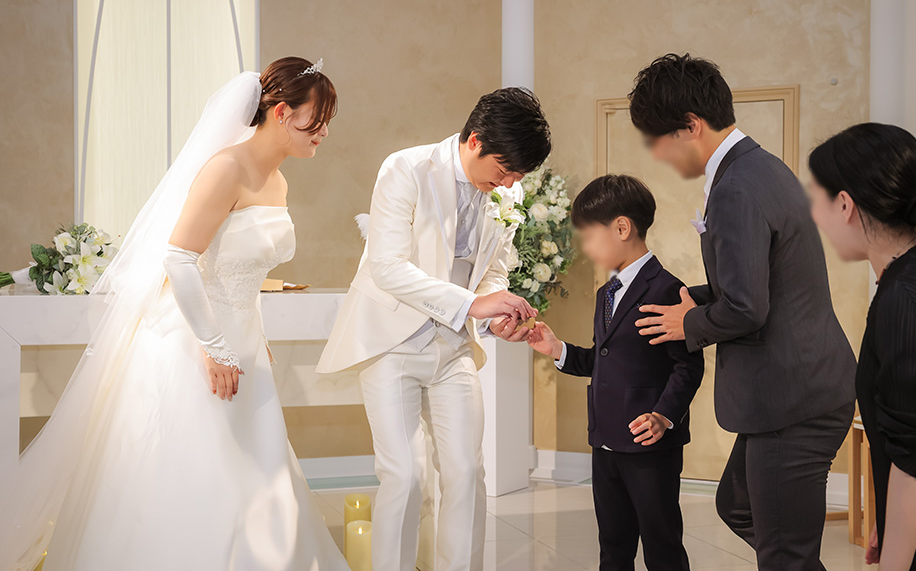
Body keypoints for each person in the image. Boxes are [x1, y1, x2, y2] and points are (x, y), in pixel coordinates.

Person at [0, 57, 350, 570]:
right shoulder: (226, 168)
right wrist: (215, 346)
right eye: (316, 120)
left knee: (259, 468)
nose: (323, 133)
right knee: (198, 469)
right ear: (281, 113)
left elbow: (242, 274)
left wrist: (253, 336)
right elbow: (180, 259)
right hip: (193, 340)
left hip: (243, 342)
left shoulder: (278, 182)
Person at [627, 53, 856, 570]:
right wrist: (692, 298)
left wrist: (685, 323)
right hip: (803, 383)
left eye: (658, 140)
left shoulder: (735, 188)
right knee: (738, 506)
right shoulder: (761, 166)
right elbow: (762, 280)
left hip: (792, 397)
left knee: (784, 554)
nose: (657, 154)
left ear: (691, 125)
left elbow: (747, 308)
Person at [316, 88, 550, 571]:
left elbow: (494, 269)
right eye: (505, 169)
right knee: (405, 476)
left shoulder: (507, 191)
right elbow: (387, 267)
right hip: (391, 344)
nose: (509, 183)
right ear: (475, 140)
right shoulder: (406, 169)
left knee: (466, 471)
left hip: (454, 349)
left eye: (518, 176)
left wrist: (495, 312)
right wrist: (473, 304)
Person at [527, 174, 704, 571]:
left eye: (590, 237)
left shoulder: (667, 290)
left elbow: (688, 365)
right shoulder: (607, 293)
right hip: (605, 439)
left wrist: (663, 416)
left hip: (649, 443)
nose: (586, 248)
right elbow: (603, 358)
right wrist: (557, 350)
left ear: (622, 228)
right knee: (612, 543)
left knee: (662, 545)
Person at [808, 122, 916, 571]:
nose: (816, 217)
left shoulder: (904, 298)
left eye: (817, 202)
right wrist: (889, 515)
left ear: (844, 204)